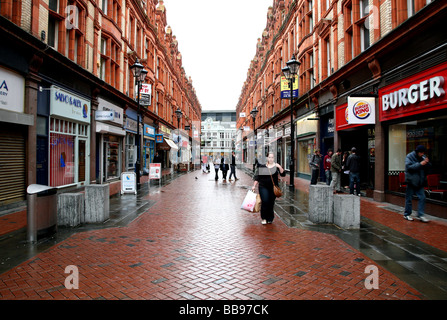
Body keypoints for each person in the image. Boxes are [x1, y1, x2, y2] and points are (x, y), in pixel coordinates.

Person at [252, 152, 286, 225]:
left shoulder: (276, 166)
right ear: (267, 158)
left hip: (273, 188)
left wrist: (279, 167)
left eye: (272, 157)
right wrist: (254, 186)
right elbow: (257, 177)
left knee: (271, 203)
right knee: (265, 201)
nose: (271, 159)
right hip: (263, 186)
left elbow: (283, 174)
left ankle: (270, 218)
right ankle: (264, 218)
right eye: (269, 157)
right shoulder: (262, 166)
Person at [404, 145, 431, 222]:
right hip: (411, 181)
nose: (422, 154)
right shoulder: (409, 156)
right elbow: (409, 167)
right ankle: (407, 214)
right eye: (421, 153)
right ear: (417, 152)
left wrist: (427, 163)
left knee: (422, 197)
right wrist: (420, 164)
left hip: (420, 181)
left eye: (423, 153)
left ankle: (420, 214)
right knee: (409, 198)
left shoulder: (423, 157)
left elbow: (428, 167)